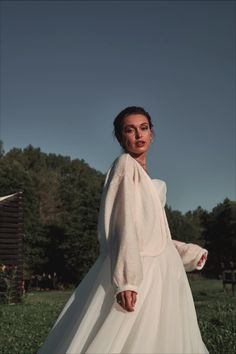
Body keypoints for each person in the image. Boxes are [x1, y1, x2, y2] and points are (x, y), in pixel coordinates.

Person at [38, 106, 208, 354]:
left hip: (165, 271)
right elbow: (123, 224)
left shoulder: (151, 181)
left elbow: (154, 233)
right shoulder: (124, 165)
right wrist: (127, 281)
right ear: (120, 138)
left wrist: (188, 253)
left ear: (151, 133)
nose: (139, 135)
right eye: (130, 130)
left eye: (144, 128)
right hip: (138, 268)